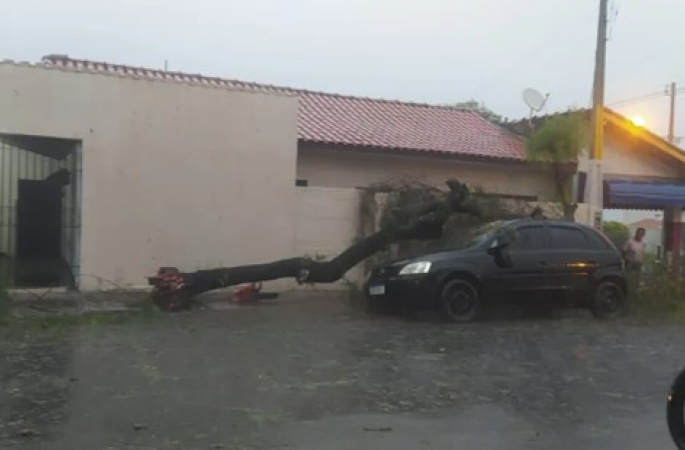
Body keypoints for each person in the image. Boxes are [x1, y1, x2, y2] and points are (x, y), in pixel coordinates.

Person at [623, 227, 646, 301]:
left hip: (638, 264)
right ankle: (626, 296)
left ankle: (635, 297)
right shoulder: (630, 242)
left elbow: (643, 253)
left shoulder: (643, 243)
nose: (640, 235)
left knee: (638, 280)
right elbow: (623, 251)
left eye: (642, 233)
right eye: (639, 233)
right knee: (629, 280)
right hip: (630, 263)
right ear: (636, 233)